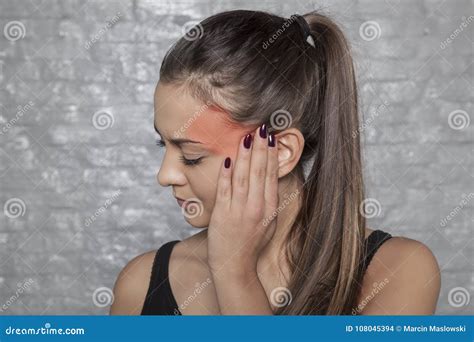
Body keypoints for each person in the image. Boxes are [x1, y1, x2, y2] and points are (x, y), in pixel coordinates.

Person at [110, 9, 441, 315]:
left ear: (281, 152)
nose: (165, 175)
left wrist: (235, 272)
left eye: (192, 156)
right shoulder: (140, 285)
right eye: (162, 144)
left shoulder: (397, 271)